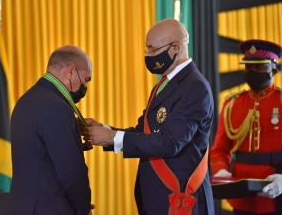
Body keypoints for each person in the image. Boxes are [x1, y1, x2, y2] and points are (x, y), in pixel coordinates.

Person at [82, 19, 215, 215]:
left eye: (153, 50)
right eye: (147, 51)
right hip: (158, 197)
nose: (149, 56)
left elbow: (171, 142)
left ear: (176, 48)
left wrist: (111, 137)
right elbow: (143, 132)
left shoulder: (194, 86)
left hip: (181, 199)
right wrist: (105, 130)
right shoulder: (164, 85)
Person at [4, 45, 94, 215]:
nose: (85, 86)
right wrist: (82, 208)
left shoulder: (26, 100)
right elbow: (72, 173)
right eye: (86, 79)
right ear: (70, 72)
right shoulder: (58, 108)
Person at [210, 39, 282, 214]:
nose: (252, 72)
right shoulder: (232, 104)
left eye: (258, 67)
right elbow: (219, 149)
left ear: (274, 68)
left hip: (275, 188)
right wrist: (221, 171)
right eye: (248, 67)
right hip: (241, 192)